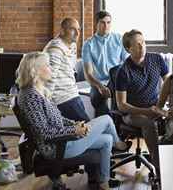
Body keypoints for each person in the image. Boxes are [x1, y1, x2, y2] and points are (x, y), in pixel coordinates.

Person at [16, 52, 129, 190]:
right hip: (58, 147)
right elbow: (44, 133)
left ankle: (103, 181)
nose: (50, 68)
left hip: (62, 140)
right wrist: (74, 130)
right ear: (35, 71)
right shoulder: (31, 97)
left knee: (106, 140)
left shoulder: (36, 91)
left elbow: (56, 119)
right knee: (106, 119)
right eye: (47, 65)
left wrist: (73, 125)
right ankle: (119, 144)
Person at [115, 29, 169, 172]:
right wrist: (146, 111)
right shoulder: (123, 71)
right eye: (137, 44)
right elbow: (121, 105)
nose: (142, 47)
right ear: (128, 48)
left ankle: (172, 159)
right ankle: (159, 168)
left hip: (155, 106)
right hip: (132, 113)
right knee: (149, 123)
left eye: (143, 42)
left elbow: (169, 82)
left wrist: (164, 104)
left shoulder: (157, 59)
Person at [82, 11, 128, 116]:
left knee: (117, 71)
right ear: (96, 23)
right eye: (102, 22)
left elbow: (127, 63)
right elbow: (88, 74)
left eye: (108, 22)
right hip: (99, 82)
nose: (106, 26)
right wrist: (100, 86)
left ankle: (118, 121)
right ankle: (106, 121)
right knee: (95, 98)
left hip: (117, 80)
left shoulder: (119, 39)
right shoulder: (88, 44)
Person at [43, 17, 89, 122]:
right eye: (72, 29)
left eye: (79, 29)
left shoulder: (71, 45)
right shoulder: (55, 49)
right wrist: (47, 107)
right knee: (89, 130)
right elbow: (49, 78)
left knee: (88, 130)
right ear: (62, 31)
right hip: (63, 100)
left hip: (72, 95)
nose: (77, 33)